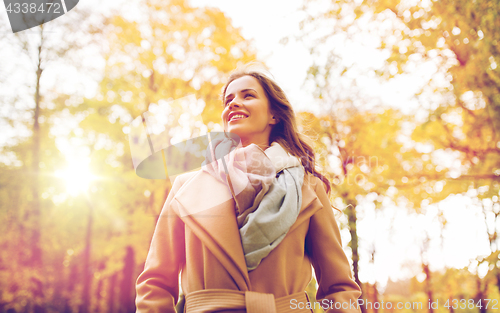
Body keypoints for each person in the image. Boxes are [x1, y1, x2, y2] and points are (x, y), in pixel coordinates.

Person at [135, 64, 362, 313]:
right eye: (228, 99)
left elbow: (339, 288)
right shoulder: (186, 187)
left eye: (248, 95)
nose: (233, 103)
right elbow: (155, 285)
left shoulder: (308, 188)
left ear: (274, 115)